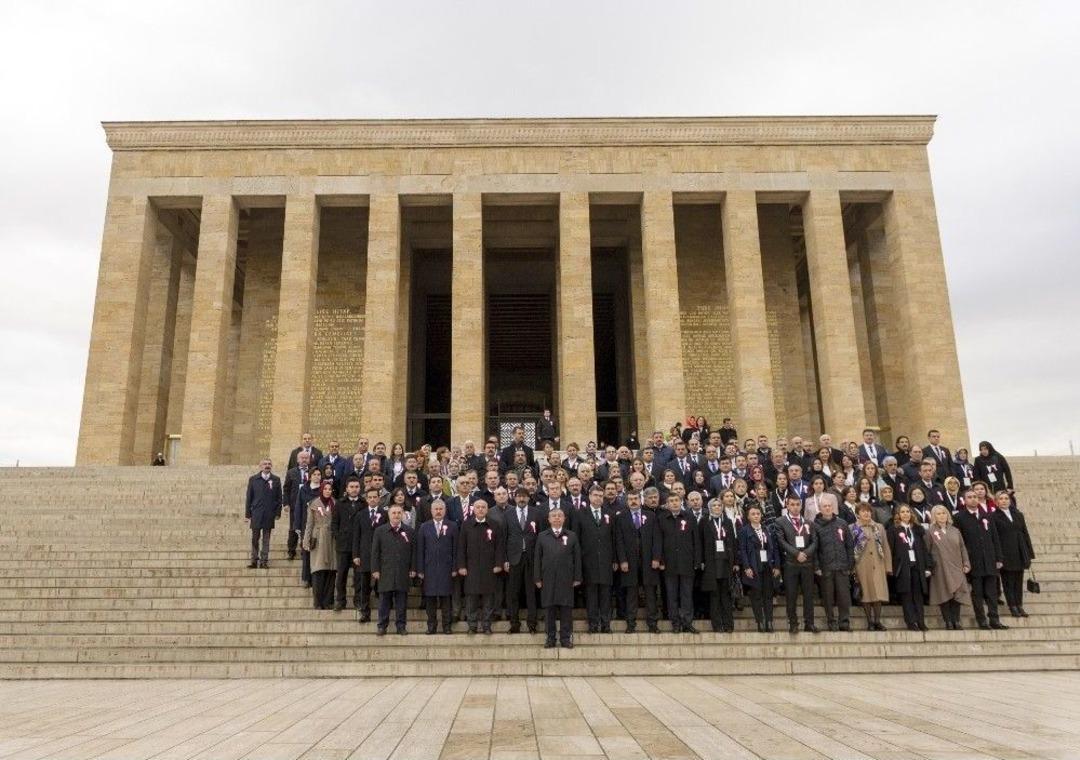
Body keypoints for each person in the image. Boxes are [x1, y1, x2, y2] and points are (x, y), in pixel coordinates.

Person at [953, 489, 1007, 630]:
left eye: (975, 497)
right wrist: (964, 561)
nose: (973, 499)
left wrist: (999, 557)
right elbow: (959, 542)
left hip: (989, 560)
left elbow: (995, 537)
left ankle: (994, 619)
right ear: (964, 500)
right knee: (977, 592)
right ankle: (981, 619)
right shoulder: (959, 518)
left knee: (992, 592)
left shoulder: (987, 516)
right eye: (970, 497)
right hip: (974, 561)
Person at [456, 499, 506, 634]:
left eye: (483, 507)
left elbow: (499, 546)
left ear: (487, 509)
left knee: (489, 598)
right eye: (478, 507)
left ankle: (486, 625)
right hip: (471, 567)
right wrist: (461, 566)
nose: (480, 509)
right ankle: (472, 626)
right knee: (471, 598)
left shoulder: (494, 525)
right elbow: (461, 546)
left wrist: (498, 564)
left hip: (489, 567)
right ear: (473, 509)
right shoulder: (466, 525)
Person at [614, 491, 661, 633]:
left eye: (635, 498)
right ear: (627, 501)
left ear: (641, 500)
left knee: (650, 594)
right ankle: (630, 624)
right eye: (630, 499)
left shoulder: (651, 516)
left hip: (648, 561)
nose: (633, 501)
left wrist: (656, 558)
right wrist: (622, 560)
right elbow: (619, 541)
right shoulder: (621, 517)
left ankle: (653, 623)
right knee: (631, 594)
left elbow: (657, 538)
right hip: (629, 562)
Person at [534, 508, 582, 648]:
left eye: (559, 515)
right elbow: (537, 558)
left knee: (566, 610)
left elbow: (577, 558)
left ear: (564, 518)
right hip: (547, 578)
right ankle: (550, 638)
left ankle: (565, 638)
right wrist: (537, 578)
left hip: (566, 578)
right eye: (553, 516)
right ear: (549, 519)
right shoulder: (542, 536)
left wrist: (577, 577)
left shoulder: (571, 535)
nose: (556, 518)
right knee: (549, 609)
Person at [654, 493, 701, 633]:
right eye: (671, 501)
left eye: (676, 500)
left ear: (681, 502)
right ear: (667, 504)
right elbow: (658, 541)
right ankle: (675, 622)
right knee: (671, 595)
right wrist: (660, 559)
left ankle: (687, 622)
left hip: (687, 562)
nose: (674, 503)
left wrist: (697, 560)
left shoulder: (689, 517)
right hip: (669, 563)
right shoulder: (661, 519)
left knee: (687, 594)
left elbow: (696, 540)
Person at [574, 486, 616, 634]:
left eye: (600, 495)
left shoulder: (609, 514)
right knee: (591, 595)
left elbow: (614, 539)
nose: (598, 498)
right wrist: (578, 561)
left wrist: (615, 559)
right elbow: (576, 540)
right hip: (588, 562)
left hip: (606, 561)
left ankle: (605, 624)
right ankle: (593, 624)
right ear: (589, 497)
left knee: (606, 595)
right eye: (595, 495)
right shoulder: (580, 514)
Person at [370, 504, 416, 635]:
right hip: (385, 571)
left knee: (401, 601)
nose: (396, 515)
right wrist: (375, 569)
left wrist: (413, 568)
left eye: (399, 513)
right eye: (394, 513)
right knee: (384, 601)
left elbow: (414, 551)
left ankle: (401, 626)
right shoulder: (380, 531)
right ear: (389, 515)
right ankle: (382, 626)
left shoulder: (409, 531)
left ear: (402, 515)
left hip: (402, 571)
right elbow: (375, 552)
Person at [776, 494, 818, 634]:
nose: (795, 507)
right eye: (792, 504)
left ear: (801, 506)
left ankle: (809, 623)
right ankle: (793, 624)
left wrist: (805, 553)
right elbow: (781, 541)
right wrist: (796, 553)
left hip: (807, 563)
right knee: (791, 595)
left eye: (797, 504)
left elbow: (814, 541)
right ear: (787, 506)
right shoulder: (780, 522)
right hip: (790, 563)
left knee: (808, 595)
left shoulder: (809, 522)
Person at [414, 499, 457, 634]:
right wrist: (420, 569)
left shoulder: (452, 526)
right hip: (429, 569)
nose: (438, 511)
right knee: (430, 600)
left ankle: (447, 626)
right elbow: (420, 549)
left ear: (445, 510)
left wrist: (455, 568)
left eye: (441, 509)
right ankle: (431, 626)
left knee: (446, 600)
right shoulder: (424, 527)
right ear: (431, 511)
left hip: (446, 569)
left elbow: (456, 549)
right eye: (436, 509)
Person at [926, 504, 972, 630]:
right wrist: (929, 567)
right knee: (944, 593)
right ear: (934, 516)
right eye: (939, 514)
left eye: (944, 513)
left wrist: (966, 563)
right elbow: (927, 550)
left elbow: (962, 548)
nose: (942, 516)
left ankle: (956, 620)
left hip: (956, 566)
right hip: (940, 568)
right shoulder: (930, 531)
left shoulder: (955, 530)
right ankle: (948, 621)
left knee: (957, 593)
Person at [504, 487, 543, 633]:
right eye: (519, 496)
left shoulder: (536, 513)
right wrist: (505, 559)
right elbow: (504, 538)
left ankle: (532, 624)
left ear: (528, 498)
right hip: (514, 558)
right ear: (514, 498)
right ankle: (514, 624)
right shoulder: (508, 514)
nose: (521, 499)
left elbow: (541, 536)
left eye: (524, 496)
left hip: (531, 558)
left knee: (531, 592)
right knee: (513, 592)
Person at [887, 504, 932, 631]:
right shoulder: (893, 530)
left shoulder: (917, 529)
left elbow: (924, 549)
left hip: (917, 566)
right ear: (898, 515)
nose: (906, 514)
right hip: (903, 567)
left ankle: (921, 621)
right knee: (906, 595)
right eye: (902, 512)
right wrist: (891, 567)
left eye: (908, 511)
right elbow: (890, 550)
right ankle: (911, 622)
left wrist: (927, 567)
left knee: (918, 595)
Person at [991, 490, 1035, 617]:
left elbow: (1025, 533)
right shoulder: (993, 517)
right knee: (1008, 581)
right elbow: (994, 537)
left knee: (1018, 581)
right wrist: (998, 557)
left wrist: (1029, 553)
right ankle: (1012, 606)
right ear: (996, 502)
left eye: (1006, 498)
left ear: (1010, 501)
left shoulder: (1018, 515)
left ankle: (1019, 605)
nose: (1004, 501)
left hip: (1019, 552)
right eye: (1001, 499)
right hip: (1005, 553)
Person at [814, 498, 855, 631]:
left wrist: (850, 563)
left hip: (842, 566)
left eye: (829, 506)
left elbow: (849, 545)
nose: (827, 508)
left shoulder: (842, 523)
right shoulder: (816, 526)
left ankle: (844, 622)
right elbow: (814, 548)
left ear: (833, 508)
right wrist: (817, 566)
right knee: (828, 597)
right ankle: (831, 621)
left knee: (844, 596)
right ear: (820, 509)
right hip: (826, 567)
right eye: (824, 506)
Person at [738, 504, 780, 632]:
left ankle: (769, 621)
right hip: (753, 566)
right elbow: (742, 550)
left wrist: (777, 565)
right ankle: (760, 621)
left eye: (758, 513)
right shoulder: (744, 531)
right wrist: (746, 567)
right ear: (748, 516)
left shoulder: (767, 529)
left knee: (768, 595)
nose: (756, 516)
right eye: (753, 514)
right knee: (756, 595)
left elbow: (775, 548)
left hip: (767, 565)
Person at [851, 501, 891, 631]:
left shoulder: (879, 527)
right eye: (863, 511)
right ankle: (870, 622)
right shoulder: (852, 528)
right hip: (861, 565)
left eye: (868, 511)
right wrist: (852, 567)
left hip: (878, 564)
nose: (866, 513)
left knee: (878, 593)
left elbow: (885, 546)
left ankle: (877, 621)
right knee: (866, 594)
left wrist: (888, 567)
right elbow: (850, 548)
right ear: (857, 514)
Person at [699, 497, 737, 632]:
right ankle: (717, 625)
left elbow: (733, 542)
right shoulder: (704, 521)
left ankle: (729, 625)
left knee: (726, 595)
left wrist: (735, 562)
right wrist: (701, 561)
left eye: (719, 505)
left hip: (725, 562)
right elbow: (700, 542)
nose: (717, 507)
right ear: (710, 508)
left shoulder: (727, 521)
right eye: (714, 505)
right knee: (714, 595)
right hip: (711, 563)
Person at [351, 487, 385, 623]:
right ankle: (365, 613)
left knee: (381, 586)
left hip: (380, 556)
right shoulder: (360, 515)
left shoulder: (384, 514)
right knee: (364, 586)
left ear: (379, 498)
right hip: (364, 555)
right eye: (370, 497)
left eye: (374, 497)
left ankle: (383, 615)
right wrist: (355, 555)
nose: (372, 499)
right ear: (366, 499)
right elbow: (356, 536)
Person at [302, 479, 337, 609]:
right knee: (318, 569)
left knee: (331, 570)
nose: (327, 491)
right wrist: (306, 540)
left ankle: (328, 601)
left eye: (330, 489)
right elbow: (309, 524)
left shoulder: (335, 503)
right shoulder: (314, 503)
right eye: (325, 489)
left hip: (332, 539)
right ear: (321, 490)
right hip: (318, 538)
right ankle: (318, 602)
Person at [331, 476, 363, 612]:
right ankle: (340, 600)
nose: (354, 489)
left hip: (359, 546)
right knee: (341, 574)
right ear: (347, 489)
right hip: (343, 545)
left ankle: (358, 601)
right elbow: (334, 523)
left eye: (356, 487)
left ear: (360, 488)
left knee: (359, 576)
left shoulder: (364, 503)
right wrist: (338, 536)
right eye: (352, 487)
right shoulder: (340, 503)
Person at [245, 459, 282, 569]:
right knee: (255, 538)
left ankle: (264, 561)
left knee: (266, 539)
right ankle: (254, 560)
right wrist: (248, 514)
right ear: (260, 466)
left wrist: (278, 512)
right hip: (256, 513)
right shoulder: (253, 479)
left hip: (269, 514)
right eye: (265, 464)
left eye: (269, 464)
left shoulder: (276, 480)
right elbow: (249, 497)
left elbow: (279, 497)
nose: (267, 466)